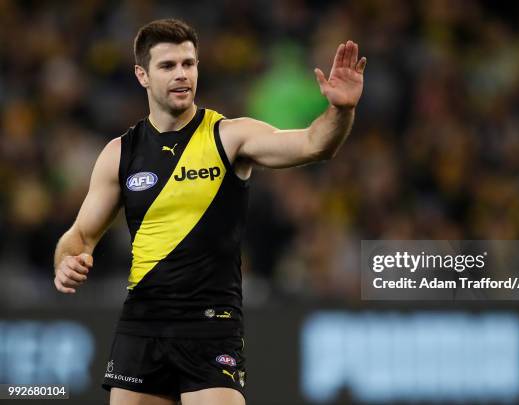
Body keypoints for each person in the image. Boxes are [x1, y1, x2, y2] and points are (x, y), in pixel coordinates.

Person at [52, 18, 366, 405]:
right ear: (142, 75)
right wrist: (66, 261)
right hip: (142, 328)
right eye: (168, 66)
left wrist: (340, 111)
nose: (182, 74)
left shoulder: (229, 136)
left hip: (211, 329)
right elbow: (80, 236)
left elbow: (315, 144)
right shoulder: (120, 153)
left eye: (189, 64)